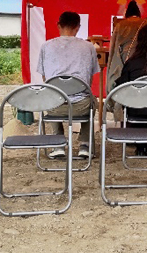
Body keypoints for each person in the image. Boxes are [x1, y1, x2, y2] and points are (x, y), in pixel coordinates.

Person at [37, 11, 100, 159]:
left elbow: (45, 79)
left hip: (54, 108)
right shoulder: (89, 47)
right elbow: (89, 78)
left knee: (52, 93)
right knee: (90, 98)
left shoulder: (46, 46)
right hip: (81, 107)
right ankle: (85, 145)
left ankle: (58, 145)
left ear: (58, 25)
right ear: (78, 27)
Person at [114, 23, 147, 156]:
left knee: (138, 101)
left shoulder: (132, 62)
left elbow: (122, 87)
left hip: (135, 109)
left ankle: (141, 144)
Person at [107, 0, 147, 94]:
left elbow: (113, 45)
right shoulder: (146, 23)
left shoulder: (119, 25)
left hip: (123, 59)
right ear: (139, 13)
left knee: (122, 83)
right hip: (142, 61)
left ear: (127, 14)